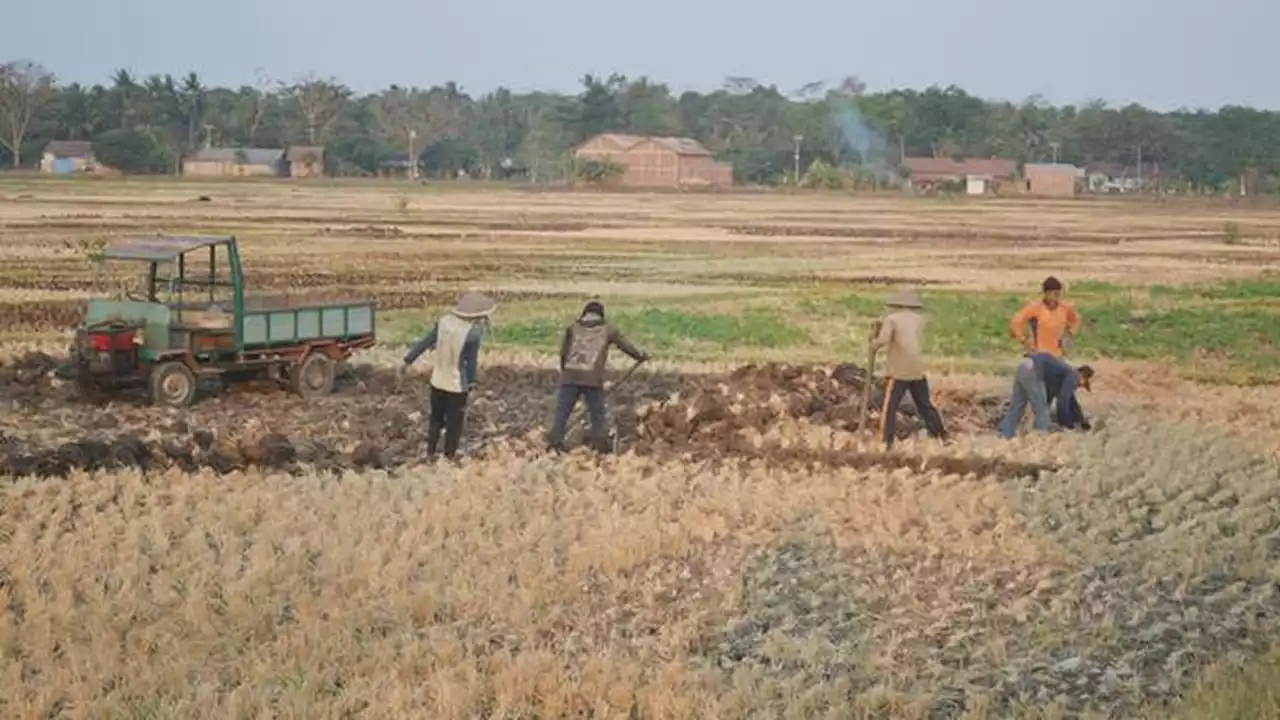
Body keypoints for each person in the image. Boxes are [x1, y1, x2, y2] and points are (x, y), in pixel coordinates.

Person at [400, 292, 497, 460]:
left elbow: (425, 342)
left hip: (437, 379)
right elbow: (470, 363)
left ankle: (430, 451)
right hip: (456, 385)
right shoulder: (472, 334)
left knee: (436, 418)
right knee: (454, 422)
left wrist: (408, 360)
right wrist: (472, 383)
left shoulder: (443, 322)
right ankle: (449, 456)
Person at [548, 300, 649, 453]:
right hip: (592, 378)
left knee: (562, 412)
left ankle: (555, 443)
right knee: (598, 414)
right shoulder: (608, 330)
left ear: (584, 314)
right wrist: (640, 356)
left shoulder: (572, 328)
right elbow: (625, 346)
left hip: (570, 375)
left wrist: (566, 372)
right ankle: (600, 445)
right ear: (601, 315)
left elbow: (564, 352)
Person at [870, 288, 949, 450]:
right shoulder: (919, 320)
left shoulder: (891, 319)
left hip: (899, 371)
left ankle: (886, 441)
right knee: (925, 404)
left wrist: (873, 344)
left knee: (890, 406)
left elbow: (883, 340)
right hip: (918, 369)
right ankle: (942, 434)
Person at [998, 352, 1095, 438]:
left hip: (1024, 366)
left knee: (1016, 407)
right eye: (1083, 384)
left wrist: (1081, 420)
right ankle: (1042, 439)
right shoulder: (1074, 376)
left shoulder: (1062, 374)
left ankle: (1004, 434)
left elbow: (1071, 402)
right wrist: (1066, 426)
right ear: (1083, 377)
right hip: (1034, 369)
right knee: (1042, 410)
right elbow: (1062, 401)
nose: (1079, 386)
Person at [1010, 276, 1081, 358]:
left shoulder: (1065, 308)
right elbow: (1016, 322)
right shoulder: (1035, 308)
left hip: (1058, 356)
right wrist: (1023, 339)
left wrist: (1069, 334)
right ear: (1046, 294)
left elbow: (1075, 320)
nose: (1056, 298)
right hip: (1038, 355)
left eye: (1058, 294)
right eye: (1053, 294)